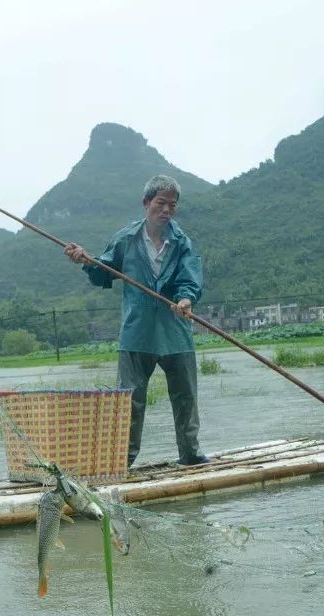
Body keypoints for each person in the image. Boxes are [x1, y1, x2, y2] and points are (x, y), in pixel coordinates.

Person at [64, 175, 208, 467]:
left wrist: (185, 299)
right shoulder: (126, 239)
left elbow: (189, 278)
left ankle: (190, 454)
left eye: (172, 205)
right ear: (146, 203)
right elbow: (103, 271)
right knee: (129, 400)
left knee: (185, 398)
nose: (166, 210)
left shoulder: (182, 243)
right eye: (160, 203)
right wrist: (85, 260)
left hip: (175, 330)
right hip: (137, 332)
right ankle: (123, 460)